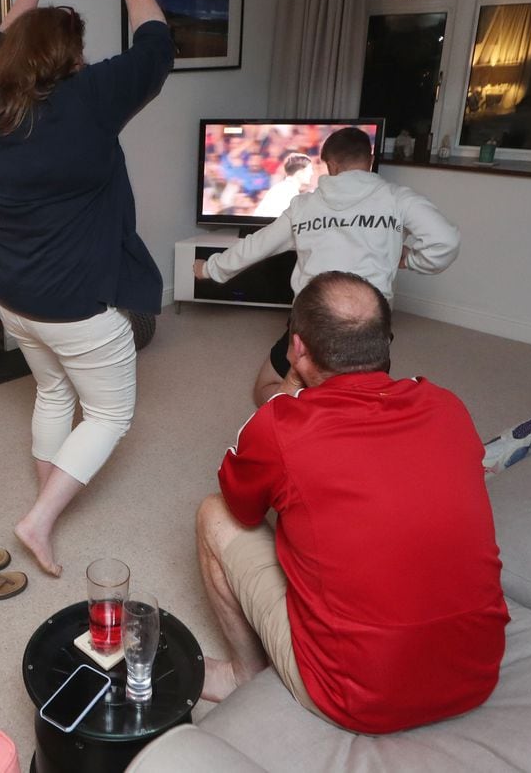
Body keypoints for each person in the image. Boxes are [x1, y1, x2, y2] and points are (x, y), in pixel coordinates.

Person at [196, 271, 508, 734]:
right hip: (476, 675)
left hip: (353, 697)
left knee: (214, 515)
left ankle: (245, 674)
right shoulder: (447, 406)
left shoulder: (281, 427)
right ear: (384, 342)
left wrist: (282, 400)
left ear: (297, 349)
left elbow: (242, 509)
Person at [0, 0, 173, 577]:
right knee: (111, 412)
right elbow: (157, 48)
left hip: (11, 295)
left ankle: (44, 505)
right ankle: (41, 518)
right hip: (75, 302)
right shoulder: (89, 98)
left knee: (55, 391)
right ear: (70, 58)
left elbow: (3, 40)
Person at [194, 126, 460, 405]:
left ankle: (302, 412)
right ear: (369, 160)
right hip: (371, 326)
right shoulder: (398, 198)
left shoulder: (303, 206)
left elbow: (257, 245)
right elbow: (446, 241)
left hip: (313, 321)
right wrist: (410, 259)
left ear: (330, 165)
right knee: (362, 395)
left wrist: (210, 268)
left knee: (266, 389)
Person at [253, 151, 313, 217]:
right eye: (310, 170)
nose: (312, 173)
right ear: (299, 173)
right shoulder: (287, 191)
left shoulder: (283, 188)